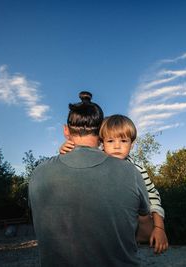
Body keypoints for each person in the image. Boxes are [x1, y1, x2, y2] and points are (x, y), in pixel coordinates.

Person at [29, 91, 153, 266]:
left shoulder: (38, 173)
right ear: (101, 130)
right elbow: (145, 233)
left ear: (66, 131)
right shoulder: (130, 171)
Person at [60, 114, 169, 254]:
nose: (117, 146)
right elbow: (74, 173)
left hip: (127, 235)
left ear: (132, 143)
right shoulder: (93, 164)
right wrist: (67, 151)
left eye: (123, 141)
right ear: (102, 143)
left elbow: (153, 199)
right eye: (110, 141)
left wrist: (159, 228)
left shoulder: (138, 170)